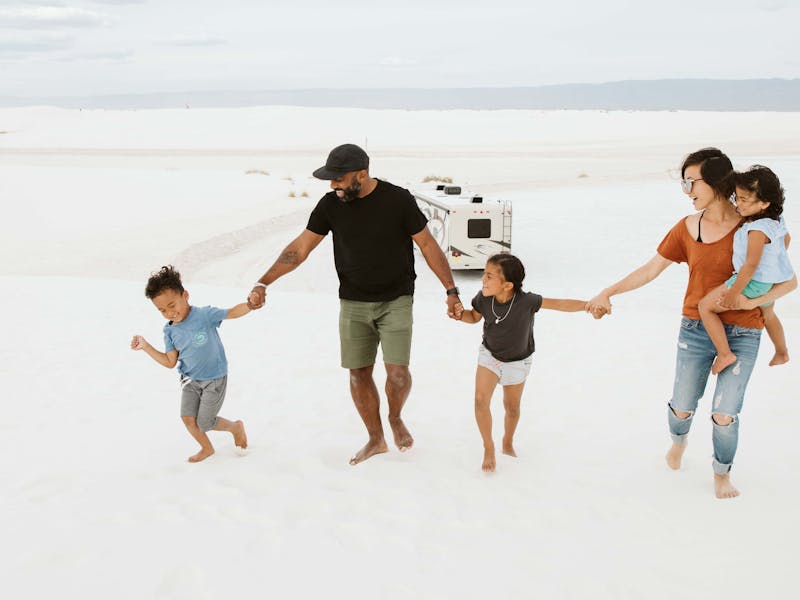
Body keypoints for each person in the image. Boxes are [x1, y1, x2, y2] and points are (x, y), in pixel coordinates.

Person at [587, 148, 797, 499]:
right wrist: (610, 291)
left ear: (716, 180)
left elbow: (783, 279)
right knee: (682, 405)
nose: (687, 191)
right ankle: (678, 442)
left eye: (691, 182)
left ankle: (721, 474)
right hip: (696, 329)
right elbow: (651, 269)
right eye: (683, 182)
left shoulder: (755, 224)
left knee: (724, 413)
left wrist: (751, 302)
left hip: (745, 330)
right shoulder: (687, 228)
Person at [247, 143, 462, 465]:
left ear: (362, 174)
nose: (333, 185)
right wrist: (264, 281)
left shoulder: (398, 199)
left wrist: (451, 290)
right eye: (330, 179)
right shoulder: (330, 205)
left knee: (398, 374)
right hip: (353, 302)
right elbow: (300, 249)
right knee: (358, 373)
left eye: (339, 178)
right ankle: (375, 439)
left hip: (396, 299)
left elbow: (428, 245)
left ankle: (395, 417)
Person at [452, 254, 590, 472]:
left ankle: (507, 441)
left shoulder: (527, 301)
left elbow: (560, 304)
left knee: (512, 408)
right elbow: (474, 317)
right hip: (490, 356)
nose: (483, 281)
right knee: (480, 400)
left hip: (518, 361)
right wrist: (460, 315)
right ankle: (489, 446)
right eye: (483, 275)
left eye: (489, 276)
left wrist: (588, 306)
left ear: (507, 285)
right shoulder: (484, 298)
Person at [131, 265, 250, 463]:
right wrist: (145, 346)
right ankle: (207, 448)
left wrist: (250, 305)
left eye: (172, 305)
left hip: (214, 379)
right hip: (189, 380)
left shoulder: (204, 315)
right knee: (188, 419)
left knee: (204, 422)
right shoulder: (169, 331)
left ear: (185, 295)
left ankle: (235, 427)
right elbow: (170, 362)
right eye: (162, 310)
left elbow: (232, 313)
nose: (169, 312)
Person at [698, 165, 793, 374]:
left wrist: (734, 292)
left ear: (764, 203)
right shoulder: (775, 221)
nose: (738, 204)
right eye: (737, 198)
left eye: (744, 200)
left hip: (751, 282)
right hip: (768, 283)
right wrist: (772, 264)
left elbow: (750, 266)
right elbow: (786, 240)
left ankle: (725, 354)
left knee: (705, 307)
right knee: (768, 314)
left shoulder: (756, 230)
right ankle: (781, 351)